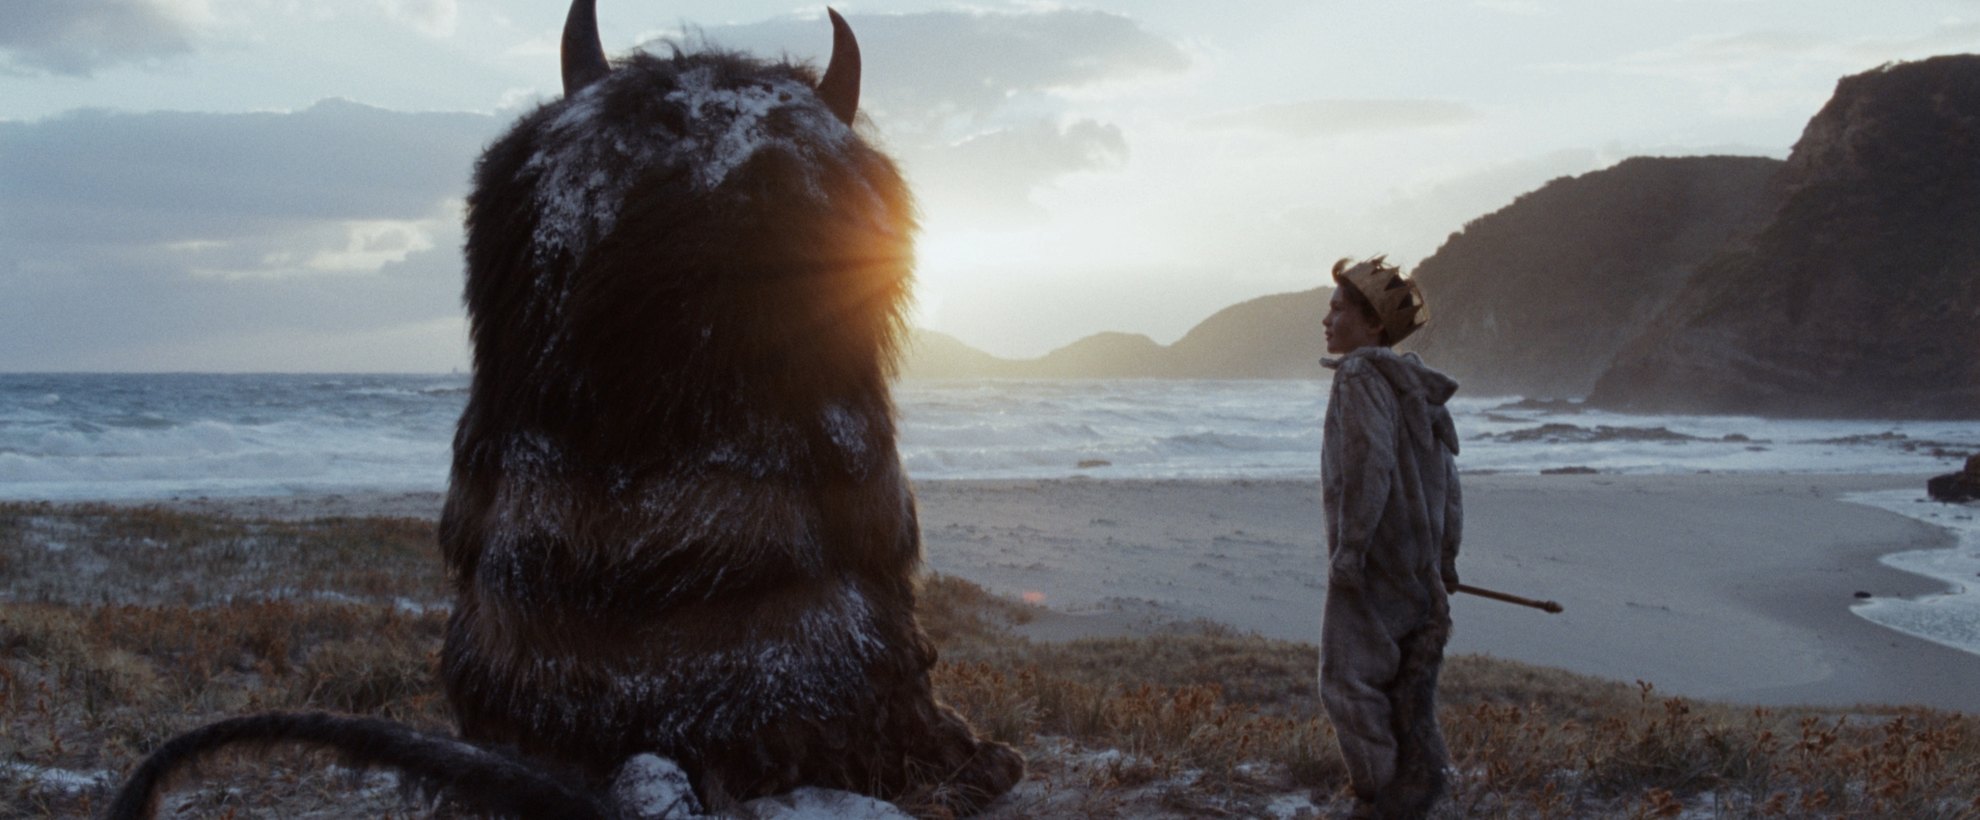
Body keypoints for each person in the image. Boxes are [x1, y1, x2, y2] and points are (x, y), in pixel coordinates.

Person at [1318, 255, 1462, 819]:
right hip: (1418, 566)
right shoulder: (1415, 387)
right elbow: (1448, 481)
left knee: (1348, 681)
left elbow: (1367, 465)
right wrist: (1445, 559)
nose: (1325, 321)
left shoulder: (1358, 376)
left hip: (1377, 560)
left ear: (1374, 323)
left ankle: (1378, 798)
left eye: (1336, 309)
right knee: (1405, 683)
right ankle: (1413, 787)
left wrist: (1351, 551)